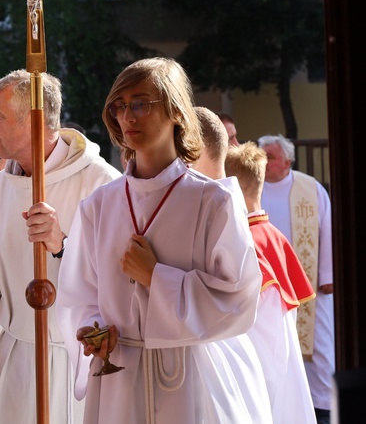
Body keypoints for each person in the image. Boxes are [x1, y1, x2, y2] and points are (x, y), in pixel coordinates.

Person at [56, 57, 272, 423]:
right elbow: (79, 295)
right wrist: (92, 328)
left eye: (141, 102)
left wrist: (157, 277)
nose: (128, 116)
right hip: (118, 379)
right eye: (119, 106)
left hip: (189, 376)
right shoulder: (98, 206)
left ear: (175, 111)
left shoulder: (212, 201)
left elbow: (238, 298)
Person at [0, 69, 121, 424]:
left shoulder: (102, 185)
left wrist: (62, 244)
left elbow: (121, 281)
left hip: (77, 363)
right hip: (12, 359)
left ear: (35, 122)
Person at [225, 141, 317, 423]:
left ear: (228, 187)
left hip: (264, 376)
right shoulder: (274, 235)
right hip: (285, 367)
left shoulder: (243, 244)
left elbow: (256, 333)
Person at [257, 134, 335, 424]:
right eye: (261, 156)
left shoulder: (310, 189)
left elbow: (326, 229)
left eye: (271, 157)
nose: (264, 162)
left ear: (287, 161)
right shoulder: (253, 187)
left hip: (311, 288)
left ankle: (324, 409)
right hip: (270, 289)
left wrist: (327, 274)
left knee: (321, 350)